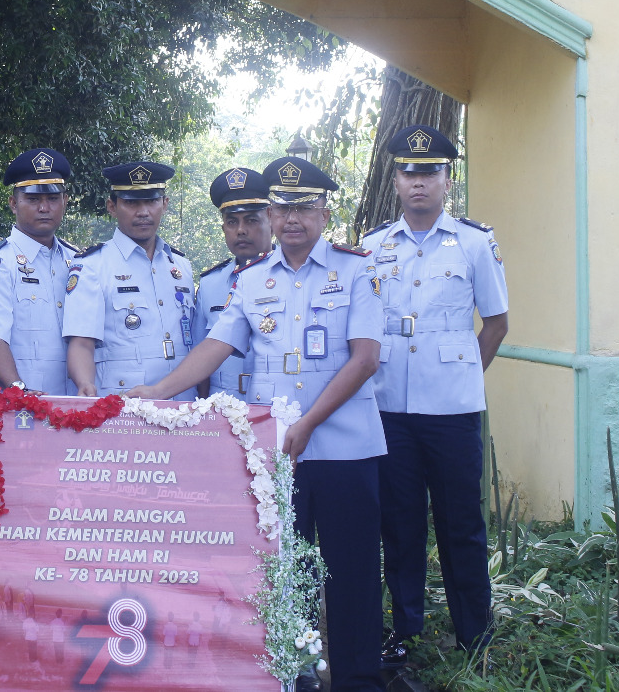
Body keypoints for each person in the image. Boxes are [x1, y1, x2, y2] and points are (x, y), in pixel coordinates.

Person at [124, 156, 386, 692]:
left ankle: (359, 679)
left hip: (343, 451)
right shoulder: (251, 281)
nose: (293, 218)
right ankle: (292, 674)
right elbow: (216, 347)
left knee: (352, 573)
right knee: (280, 572)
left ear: (324, 211)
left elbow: (364, 359)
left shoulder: (357, 270)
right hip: (276, 455)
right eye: (284, 207)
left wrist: (311, 421)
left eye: (305, 207)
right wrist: (156, 392)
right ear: (272, 213)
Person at [363, 124, 508, 669]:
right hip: (390, 410)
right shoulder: (374, 247)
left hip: (452, 410)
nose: (418, 182)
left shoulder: (473, 243)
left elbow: (495, 323)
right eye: (408, 172)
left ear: (448, 180)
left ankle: (475, 635)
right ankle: (404, 632)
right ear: (396, 180)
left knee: (461, 524)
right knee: (399, 524)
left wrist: (464, 372)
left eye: (429, 172)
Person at [62, 161, 197, 399]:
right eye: (132, 203)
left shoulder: (180, 266)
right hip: (124, 405)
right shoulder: (92, 265)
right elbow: (82, 342)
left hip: (182, 404)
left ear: (164, 204)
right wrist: (84, 382)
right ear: (112, 207)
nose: (143, 212)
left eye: (152, 201)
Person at [0, 148, 80, 394]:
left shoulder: (78, 261)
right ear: (13, 203)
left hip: (73, 400)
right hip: (16, 403)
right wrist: (18, 389)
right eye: (33, 199)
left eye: (53, 199)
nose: (44, 207)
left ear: (64, 201)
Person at [190, 167, 270, 398]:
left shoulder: (293, 277)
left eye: (252, 220)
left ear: (272, 221)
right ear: (223, 228)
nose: (241, 230)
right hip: (221, 408)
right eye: (232, 222)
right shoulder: (210, 284)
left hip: (274, 407)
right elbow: (200, 353)